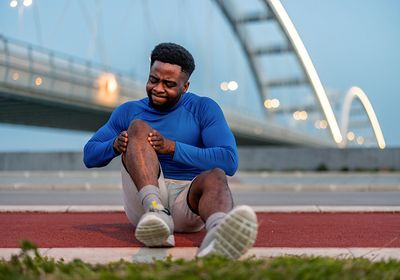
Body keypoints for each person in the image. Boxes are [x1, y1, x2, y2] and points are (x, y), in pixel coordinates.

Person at [83, 42, 258, 259]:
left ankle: (219, 235)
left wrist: (172, 148)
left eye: (168, 84)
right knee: (137, 127)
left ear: (185, 87)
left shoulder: (204, 108)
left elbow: (229, 161)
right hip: (145, 203)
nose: (158, 88)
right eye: (153, 80)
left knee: (216, 175)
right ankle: (156, 213)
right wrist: (113, 146)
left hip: (188, 202)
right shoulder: (129, 111)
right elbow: (89, 155)